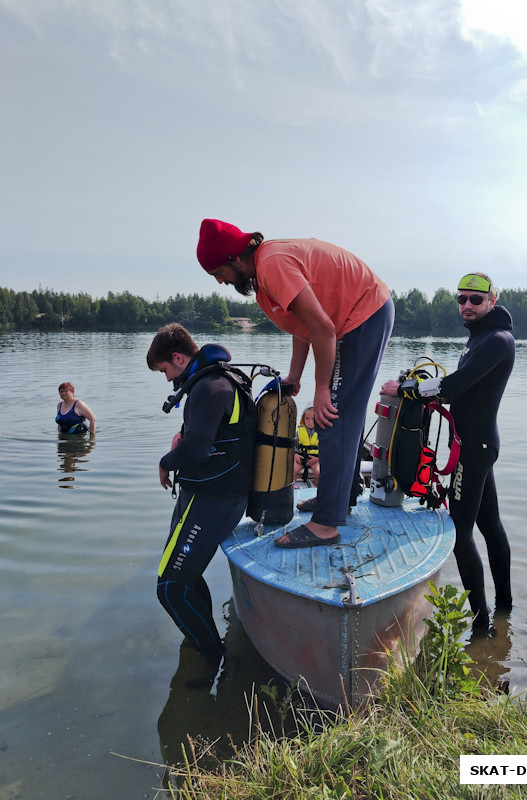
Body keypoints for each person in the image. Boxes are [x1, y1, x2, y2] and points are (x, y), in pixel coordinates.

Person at [196, 218, 394, 549]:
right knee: (338, 414)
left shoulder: (272, 265)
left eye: (218, 272)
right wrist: (295, 376)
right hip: (353, 317)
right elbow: (303, 326)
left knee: (331, 415)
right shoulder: (263, 276)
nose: (219, 282)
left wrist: (319, 391)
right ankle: (338, 498)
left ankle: (326, 525)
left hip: (363, 314)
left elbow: (323, 329)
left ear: (234, 257)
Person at [381, 272, 515, 634]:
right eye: (461, 299)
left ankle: (482, 626)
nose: (467, 306)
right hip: (476, 444)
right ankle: (505, 614)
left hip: (475, 447)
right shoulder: (481, 340)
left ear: (491, 301)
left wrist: (407, 387)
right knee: (490, 526)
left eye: (475, 299)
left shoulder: (496, 341)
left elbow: (454, 388)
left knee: (460, 533)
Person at [147, 323, 256, 668]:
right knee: (184, 579)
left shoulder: (210, 386)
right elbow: (208, 438)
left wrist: (166, 462)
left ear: (178, 357)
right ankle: (203, 639)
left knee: (171, 589)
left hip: (214, 498)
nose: (166, 379)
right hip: (211, 494)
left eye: (165, 370)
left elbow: (196, 450)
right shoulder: (216, 381)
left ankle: (215, 659)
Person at [293, 406, 320, 486]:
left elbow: (326, 449)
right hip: (301, 458)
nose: (310, 421)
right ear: (303, 419)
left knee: (318, 472)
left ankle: (316, 488)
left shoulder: (322, 433)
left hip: (315, 460)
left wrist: (318, 459)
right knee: (292, 471)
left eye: (313, 419)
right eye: (307, 418)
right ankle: (293, 489)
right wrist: (296, 455)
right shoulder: (299, 432)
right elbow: (294, 446)